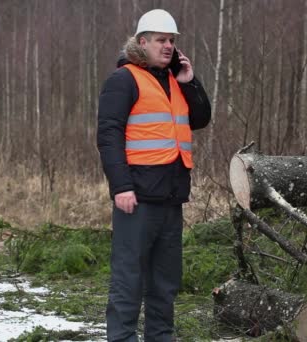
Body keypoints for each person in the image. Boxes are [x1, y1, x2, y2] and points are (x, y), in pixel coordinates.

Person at [97, 8, 211, 342]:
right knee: (128, 279)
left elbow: (200, 118)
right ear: (142, 42)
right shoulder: (123, 80)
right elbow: (108, 136)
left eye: (172, 41)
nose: (168, 47)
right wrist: (121, 187)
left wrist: (191, 83)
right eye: (161, 40)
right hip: (137, 197)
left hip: (171, 198)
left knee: (165, 282)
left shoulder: (177, 80)